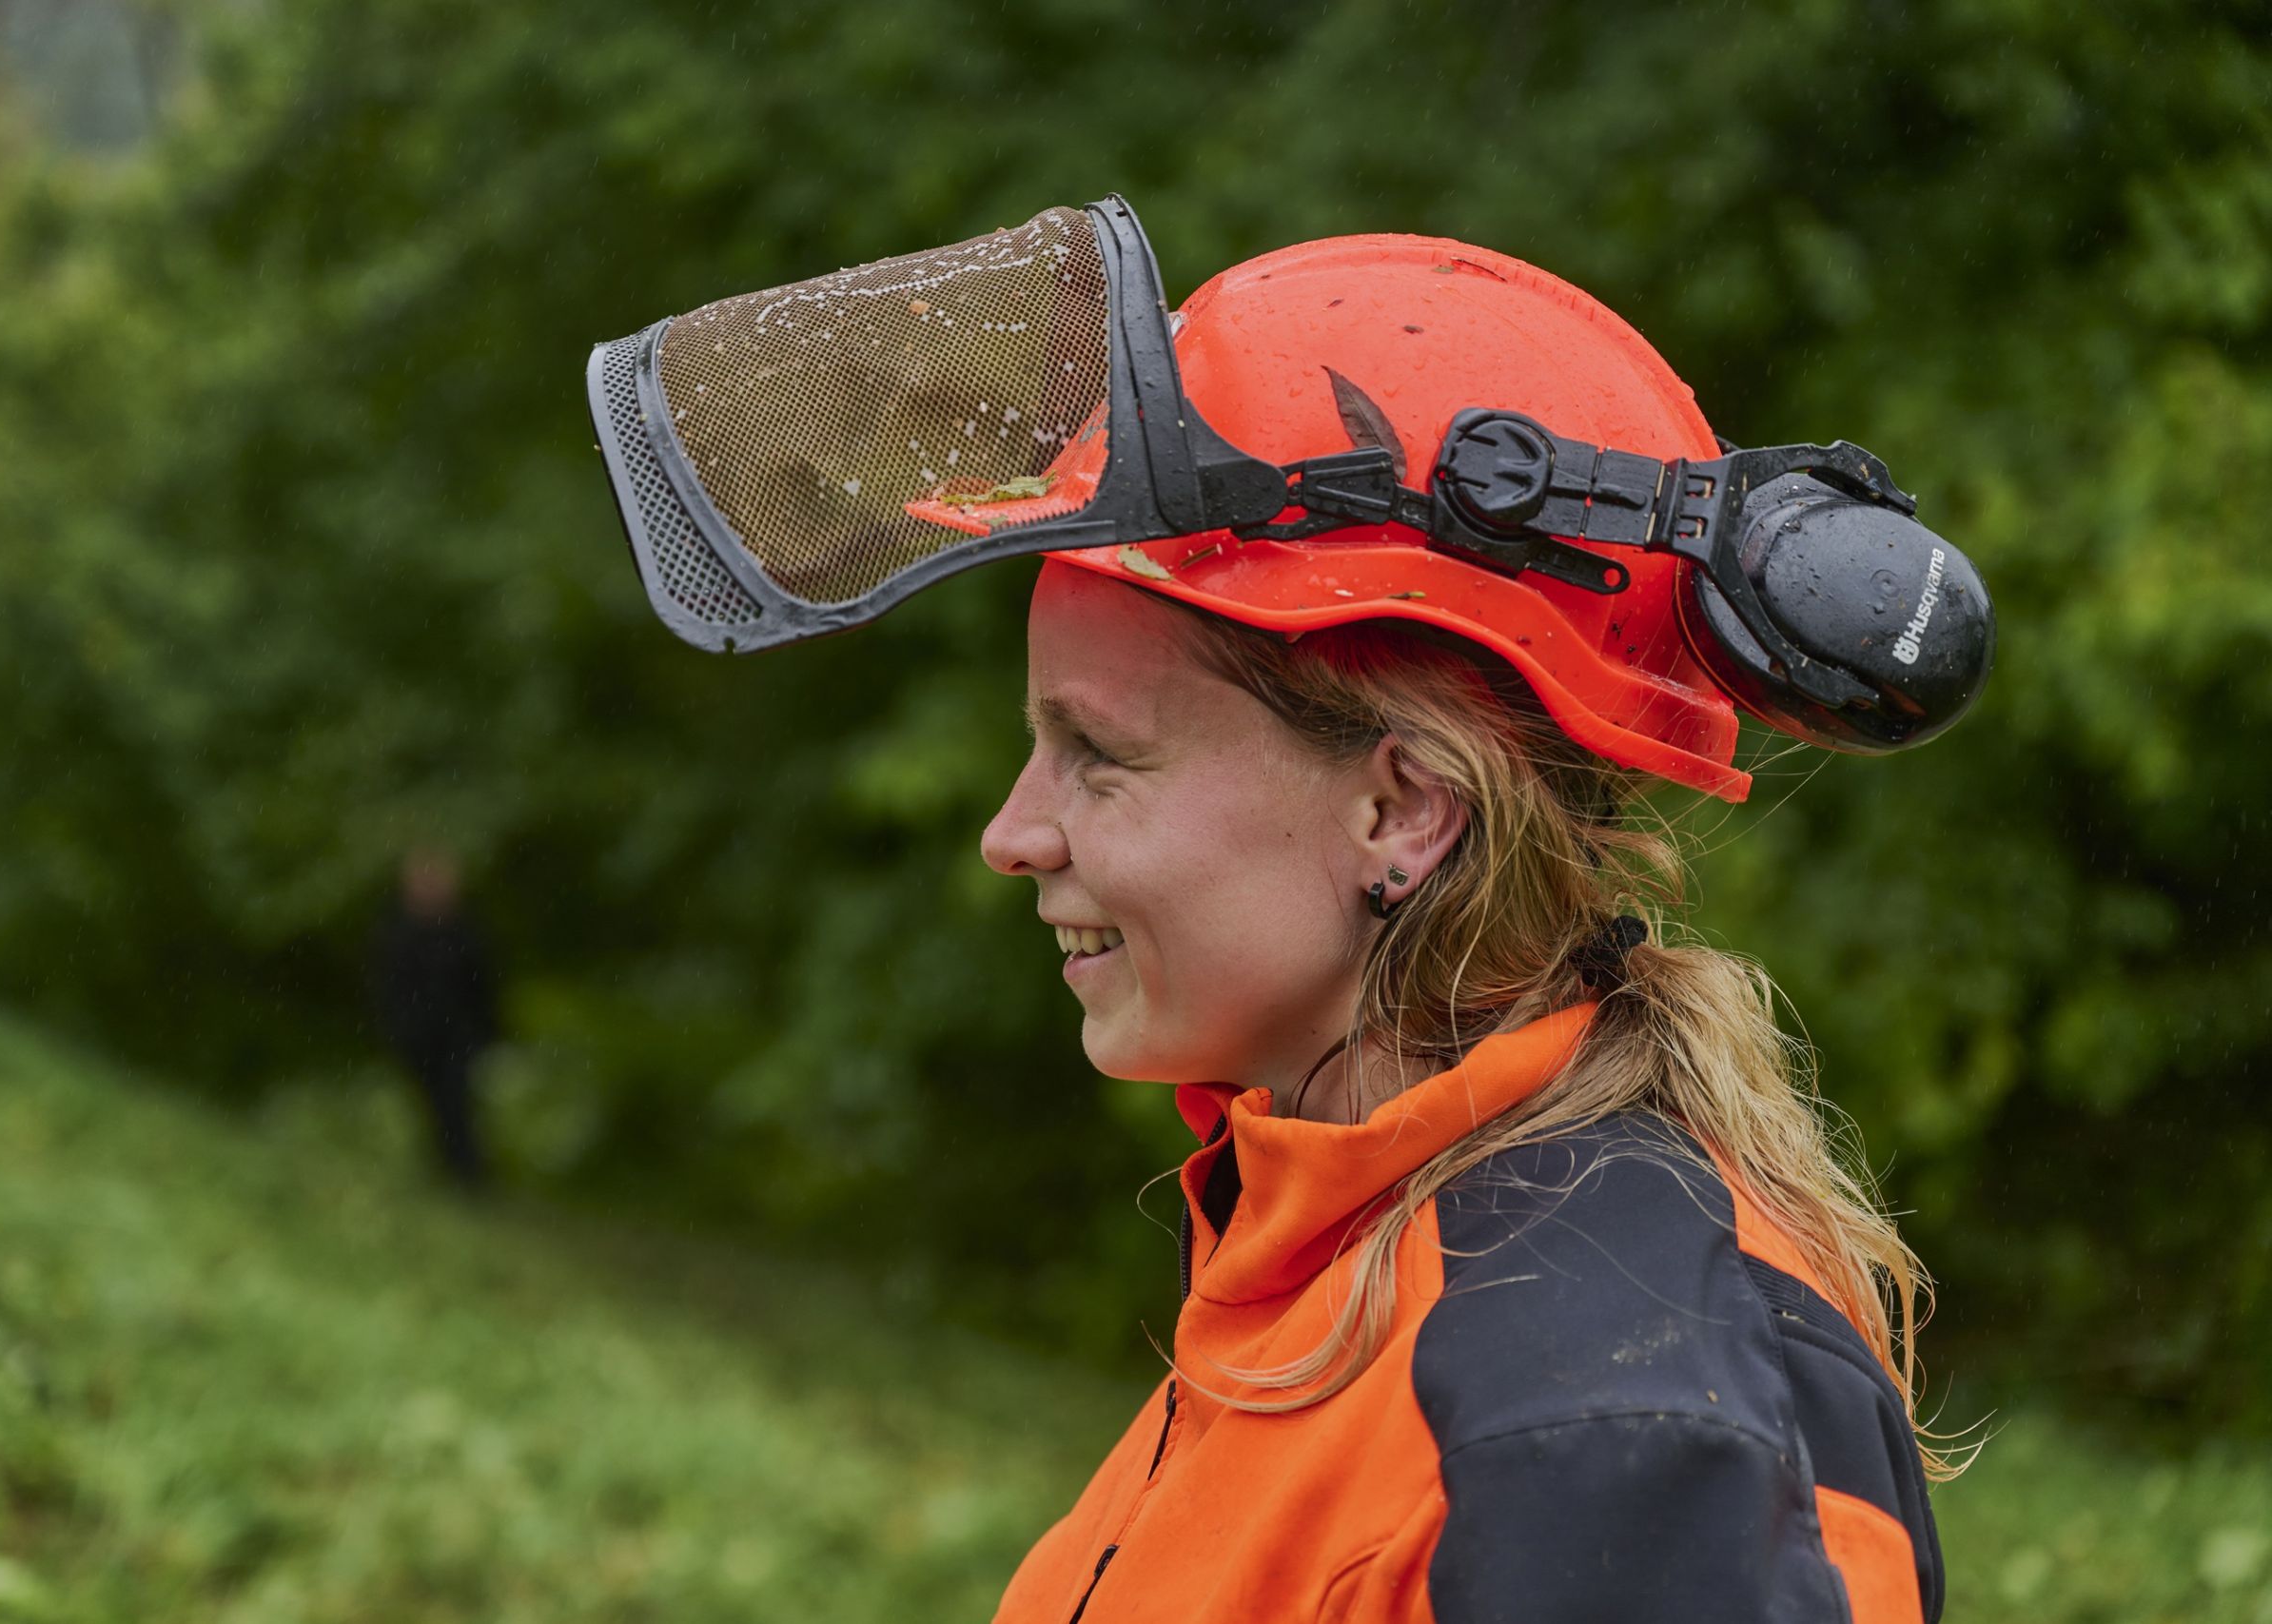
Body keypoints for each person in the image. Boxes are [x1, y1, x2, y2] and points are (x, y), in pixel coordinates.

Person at [587, 205, 1992, 1621]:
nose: (1012, 835)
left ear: (1402, 810)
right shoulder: (1331, 1249)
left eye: (1100, 753)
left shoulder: (1603, 1427)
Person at [369, 847, 498, 1193]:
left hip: (458, 1037)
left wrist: (485, 1031)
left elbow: (482, 988)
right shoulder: (396, 934)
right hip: (416, 1036)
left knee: (456, 1102)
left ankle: (467, 1174)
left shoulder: (465, 933)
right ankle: (448, 1169)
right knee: (432, 1103)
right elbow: (387, 989)